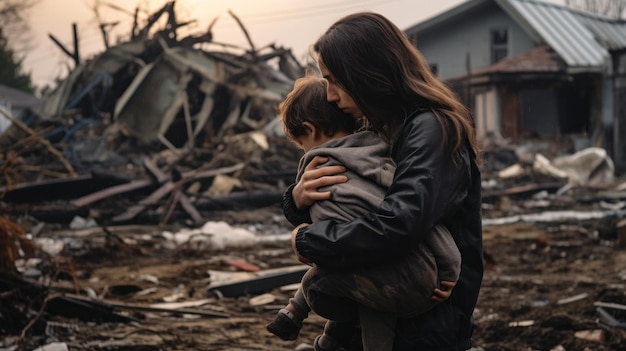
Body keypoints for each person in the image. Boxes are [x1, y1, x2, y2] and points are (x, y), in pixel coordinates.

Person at [282, 12, 484, 351]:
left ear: (366, 72)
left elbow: (396, 225)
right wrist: (297, 199)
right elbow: (353, 202)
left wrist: (307, 241)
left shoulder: (431, 130)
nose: (330, 95)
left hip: (423, 328)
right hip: (383, 309)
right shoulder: (385, 128)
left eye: (335, 80)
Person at [268, 75, 462, 351]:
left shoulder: (317, 163)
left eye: (301, 144)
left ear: (310, 131)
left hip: (405, 285)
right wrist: (451, 266)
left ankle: (299, 316)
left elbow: (400, 223)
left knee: (326, 282)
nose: (335, 93)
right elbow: (423, 220)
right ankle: (323, 338)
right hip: (433, 274)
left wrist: (303, 237)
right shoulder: (383, 155)